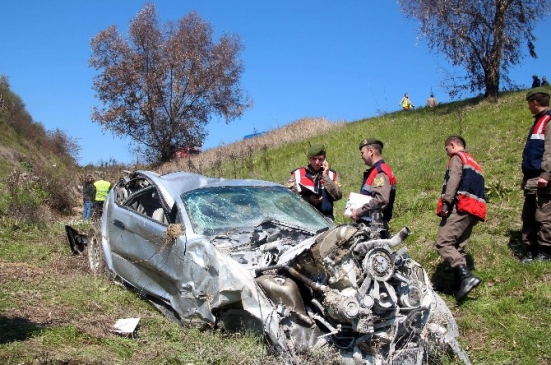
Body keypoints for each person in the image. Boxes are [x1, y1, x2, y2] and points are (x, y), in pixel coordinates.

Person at [435, 135, 486, 302]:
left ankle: (465, 277)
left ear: (452, 145)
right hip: (475, 210)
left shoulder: (458, 157)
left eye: (447, 150)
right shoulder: (474, 162)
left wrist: (446, 203)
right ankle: (458, 286)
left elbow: (453, 181)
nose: (447, 153)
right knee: (457, 247)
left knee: (444, 242)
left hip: (461, 206)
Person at [521, 87, 551, 262]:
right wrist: (526, 178)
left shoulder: (548, 121)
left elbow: (549, 152)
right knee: (529, 216)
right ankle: (531, 250)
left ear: (534, 102)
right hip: (532, 178)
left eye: (529, 104)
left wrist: (546, 175)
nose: (528, 108)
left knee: (544, 216)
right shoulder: (538, 121)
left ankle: (546, 252)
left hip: (543, 178)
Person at [351, 139, 396, 233]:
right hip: (372, 225)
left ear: (371, 152)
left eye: (362, 153)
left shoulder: (380, 171)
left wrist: (359, 211)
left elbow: (381, 200)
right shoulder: (377, 171)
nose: (361, 156)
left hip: (374, 227)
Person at [287, 143, 342, 221]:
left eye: (320, 159)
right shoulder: (297, 174)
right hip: (304, 218)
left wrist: (325, 176)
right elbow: (289, 198)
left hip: (327, 218)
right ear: (309, 159)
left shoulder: (331, 174)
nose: (317, 162)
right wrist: (308, 199)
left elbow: (338, 195)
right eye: (314, 159)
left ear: (325, 159)